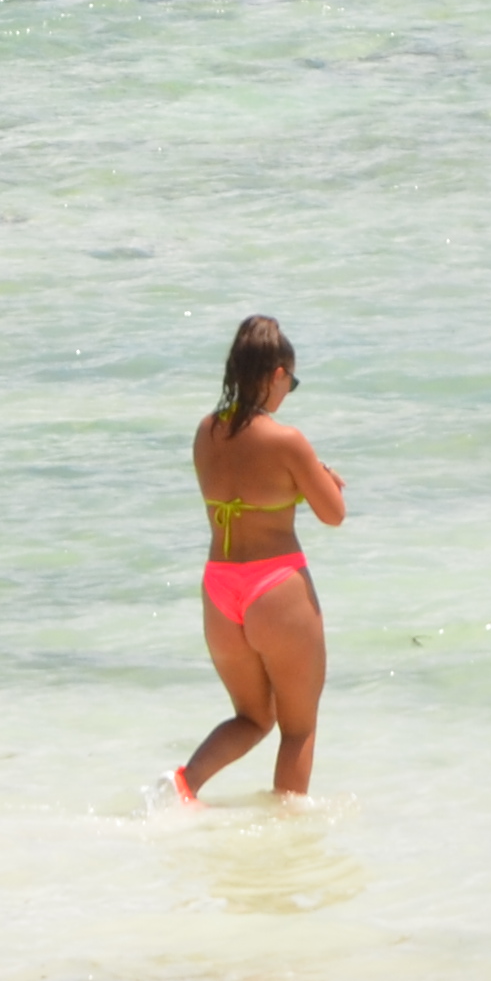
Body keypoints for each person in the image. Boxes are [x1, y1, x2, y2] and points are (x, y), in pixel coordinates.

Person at [173, 314, 343, 802]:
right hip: (275, 586)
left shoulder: (205, 432)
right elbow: (333, 514)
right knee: (298, 728)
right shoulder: (287, 441)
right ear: (277, 374)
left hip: (219, 587)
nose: (289, 392)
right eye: (292, 382)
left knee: (251, 717)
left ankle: (180, 787)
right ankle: (288, 835)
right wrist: (322, 476)